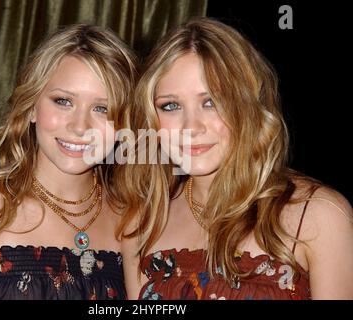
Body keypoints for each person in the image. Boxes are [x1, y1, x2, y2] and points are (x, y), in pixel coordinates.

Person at [119, 17, 353, 300]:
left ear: (248, 107)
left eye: (211, 103)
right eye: (171, 106)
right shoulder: (143, 223)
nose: (191, 127)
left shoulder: (317, 215)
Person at [0, 24, 137, 300]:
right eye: (63, 101)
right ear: (32, 107)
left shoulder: (134, 220)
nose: (80, 126)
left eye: (102, 109)